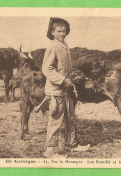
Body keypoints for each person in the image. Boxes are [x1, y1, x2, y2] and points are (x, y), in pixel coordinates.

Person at [42, 17, 90, 158]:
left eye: (64, 31)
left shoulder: (64, 45)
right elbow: (47, 69)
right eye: (59, 31)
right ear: (52, 32)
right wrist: (63, 80)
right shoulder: (53, 47)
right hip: (56, 90)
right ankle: (49, 151)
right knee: (55, 120)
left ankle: (73, 144)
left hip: (66, 90)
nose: (62, 33)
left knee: (70, 117)